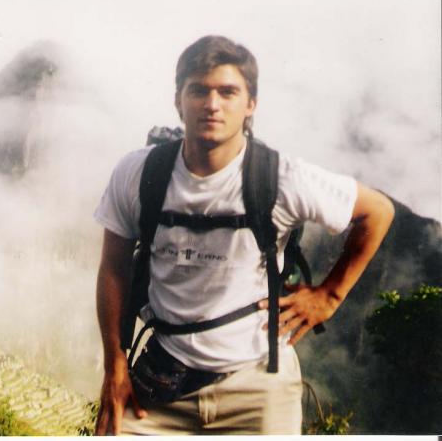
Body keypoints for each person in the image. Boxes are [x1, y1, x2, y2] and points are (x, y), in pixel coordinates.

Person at [93, 35, 395, 435]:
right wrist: (114, 367)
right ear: (178, 100)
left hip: (258, 387)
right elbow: (114, 268)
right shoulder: (140, 173)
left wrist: (329, 296)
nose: (212, 104)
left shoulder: (281, 178)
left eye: (228, 92)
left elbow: (378, 211)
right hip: (162, 381)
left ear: (250, 103)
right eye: (198, 90)